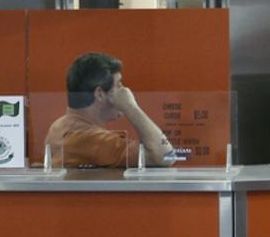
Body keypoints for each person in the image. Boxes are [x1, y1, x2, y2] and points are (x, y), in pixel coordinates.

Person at [46, 52, 175, 168]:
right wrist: (131, 106)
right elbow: (166, 155)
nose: (125, 91)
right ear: (100, 94)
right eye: (119, 85)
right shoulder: (91, 140)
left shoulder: (59, 125)